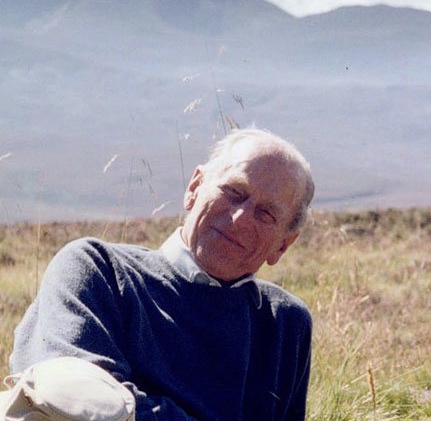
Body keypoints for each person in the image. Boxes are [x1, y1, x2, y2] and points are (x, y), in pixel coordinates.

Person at [9, 128, 316, 420]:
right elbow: (74, 400)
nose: (239, 218)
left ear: (283, 245)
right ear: (194, 188)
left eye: (266, 214)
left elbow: (123, 413)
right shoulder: (98, 270)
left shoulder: (285, 322)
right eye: (234, 191)